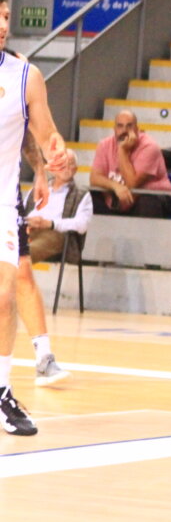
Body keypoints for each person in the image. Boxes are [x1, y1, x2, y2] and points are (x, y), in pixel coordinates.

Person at [0, 0, 73, 435]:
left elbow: (48, 136)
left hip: (0, 201)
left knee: (5, 295)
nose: (3, 24)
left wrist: (59, 159)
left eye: (7, 16)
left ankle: (0, 390)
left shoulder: (26, 76)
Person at [17, 137, 81, 391]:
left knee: (22, 272)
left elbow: (34, 135)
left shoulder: (18, 97)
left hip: (11, 199)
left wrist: (41, 171)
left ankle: (44, 358)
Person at [90, 110, 171, 218]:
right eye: (120, 126)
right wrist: (115, 186)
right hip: (119, 200)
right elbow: (94, 178)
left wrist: (122, 151)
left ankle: (144, 235)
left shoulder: (149, 147)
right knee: (89, 196)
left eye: (129, 126)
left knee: (147, 201)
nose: (124, 131)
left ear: (137, 130)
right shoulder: (104, 145)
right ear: (114, 129)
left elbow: (132, 184)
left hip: (150, 199)